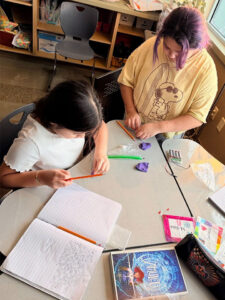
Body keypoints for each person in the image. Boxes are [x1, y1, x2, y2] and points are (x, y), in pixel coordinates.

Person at [118, 6, 218, 142]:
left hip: (167, 136)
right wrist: (130, 110)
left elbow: (196, 117)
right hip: (134, 121)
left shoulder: (206, 71)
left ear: (197, 48)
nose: (170, 55)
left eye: (179, 53)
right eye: (166, 46)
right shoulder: (152, 45)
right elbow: (126, 79)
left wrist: (158, 127)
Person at [0, 80, 110, 189]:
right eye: (76, 133)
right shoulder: (30, 142)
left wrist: (100, 153)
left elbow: (100, 126)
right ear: (55, 123)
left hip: (73, 171)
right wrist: (41, 178)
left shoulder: (73, 115)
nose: (83, 136)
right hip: (45, 186)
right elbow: (3, 178)